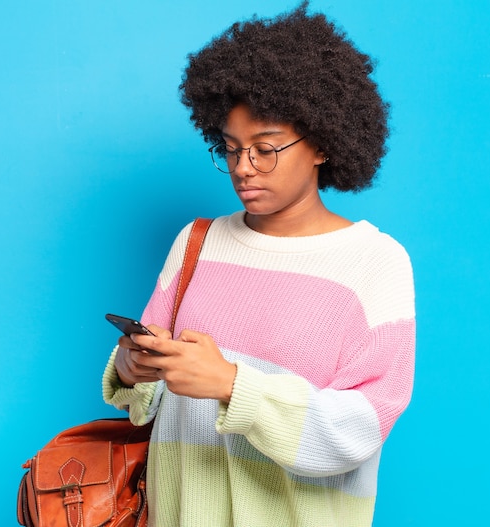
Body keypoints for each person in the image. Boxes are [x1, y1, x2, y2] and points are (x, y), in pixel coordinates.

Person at [102, 2, 415, 526]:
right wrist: (135, 369)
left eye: (265, 149)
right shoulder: (196, 242)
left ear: (321, 143)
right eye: (231, 149)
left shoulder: (374, 262)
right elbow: (152, 390)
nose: (243, 169)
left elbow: (362, 427)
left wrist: (231, 383)